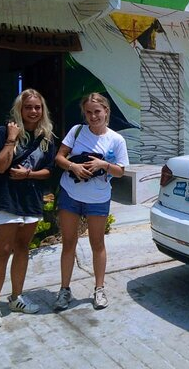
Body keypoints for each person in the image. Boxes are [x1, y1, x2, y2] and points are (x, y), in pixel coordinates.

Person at [0, 88, 56, 330]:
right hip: (6, 198)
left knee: (23, 248)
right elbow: (0, 167)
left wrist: (28, 174)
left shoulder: (46, 136)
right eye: (28, 107)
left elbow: (49, 171)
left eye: (37, 107)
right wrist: (12, 138)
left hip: (31, 198)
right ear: (20, 109)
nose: (33, 111)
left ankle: (16, 298)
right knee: (2, 250)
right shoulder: (5, 131)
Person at [53, 92, 128, 311]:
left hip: (98, 198)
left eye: (97, 111)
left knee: (97, 244)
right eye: (89, 112)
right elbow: (59, 157)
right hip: (71, 194)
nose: (93, 116)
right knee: (69, 243)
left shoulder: (116, 139)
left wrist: (102, 165)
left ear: (106, 111)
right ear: (84, 114)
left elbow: (121, 171)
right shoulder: (76, 131)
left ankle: (99, 288)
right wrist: (73, 167)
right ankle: (64, 289)